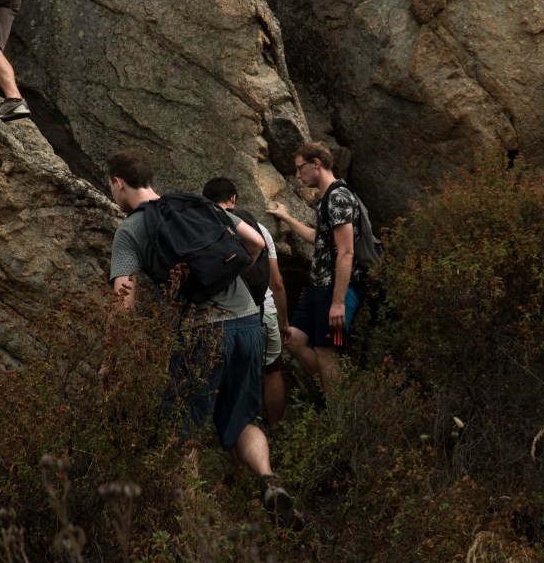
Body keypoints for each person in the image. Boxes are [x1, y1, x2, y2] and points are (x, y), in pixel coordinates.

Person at [107, 149, 297, 524]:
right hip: (248, 321)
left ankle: (196, 528)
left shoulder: (130, 231)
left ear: (118, 183)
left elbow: (122, 304)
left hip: (202, 330)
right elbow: (256, 243)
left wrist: (110, 360)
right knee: (242, 421)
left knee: (183, 432)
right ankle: (269, 480)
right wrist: (227, 277)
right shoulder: (197, 204)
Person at [266, 141, 368, 397]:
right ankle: (338, 398)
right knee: (294, 339)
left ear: (316, 164)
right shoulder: (327, 198)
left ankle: (340, 413)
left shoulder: (338, 197)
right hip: (320, 286)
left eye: (300, 168)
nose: (298, 175)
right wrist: (287, 218)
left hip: (336, 288)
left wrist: (338, 303)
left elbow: (346, 252)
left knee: (326, 352)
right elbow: (318, 238)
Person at [201, 176, 290, 425]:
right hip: (263, 309)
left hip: (225, 316)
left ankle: (236, 433)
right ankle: (275, 430)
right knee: (272, 369)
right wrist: (285, 323)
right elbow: (277, 282)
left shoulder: (204, 228)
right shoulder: (258, 229)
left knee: (232, 379)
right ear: (233, 198)